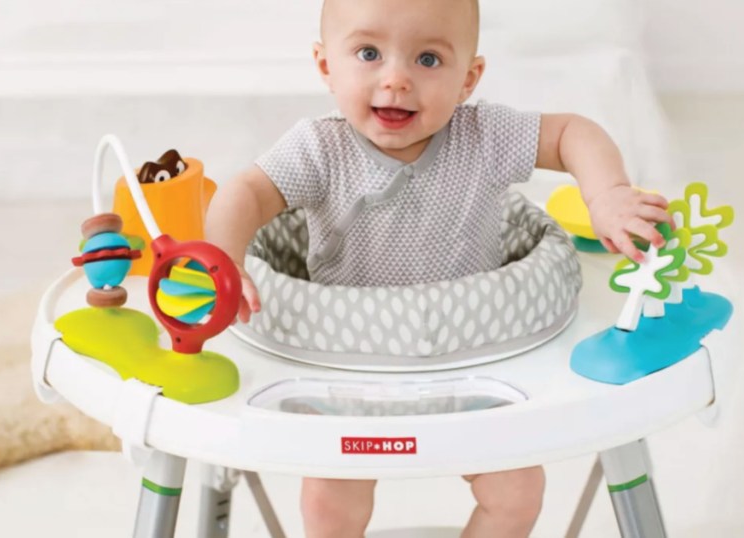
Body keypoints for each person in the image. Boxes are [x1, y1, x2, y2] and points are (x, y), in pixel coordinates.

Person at [205, 0, 672, 535]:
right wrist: (225, 258)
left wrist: (608, 194)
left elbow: (573, 134)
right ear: (325, 65)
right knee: (329, 502)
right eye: (368, 53)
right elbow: (242, 193)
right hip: (345, 371)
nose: (397, 79)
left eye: (428, 59)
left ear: (468, 78)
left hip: (477, 362)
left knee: (518, 491)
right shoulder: (318, 149)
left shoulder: (483, 137)